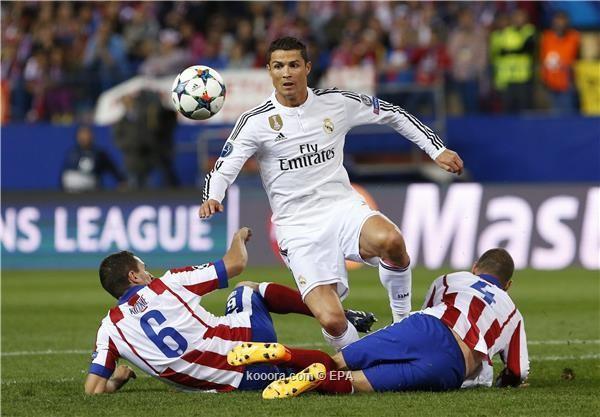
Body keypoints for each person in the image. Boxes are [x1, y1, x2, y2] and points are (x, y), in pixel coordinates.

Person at [200, 36, 464, 351]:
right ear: (269, 71)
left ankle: (403, 324)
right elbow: (225, 167)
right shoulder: (255, 122)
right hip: (298, 227)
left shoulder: (336, 102)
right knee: (333, 321)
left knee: (391, 240)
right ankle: (357, 361)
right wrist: (213, 196)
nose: (287, 73)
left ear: (307, 68)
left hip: (342, 208)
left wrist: (435, 149)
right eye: (279, 66)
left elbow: (392, 112)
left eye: (294, 65)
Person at [84, 227, 376, 394]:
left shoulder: (109, 329)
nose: (149, 273)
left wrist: (115, 381)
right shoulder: (167, 283)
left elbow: (93, 390)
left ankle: (321, 376)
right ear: (134, 277)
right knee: (247, 288)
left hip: (239, 382)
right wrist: (238, 237)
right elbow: (235, 264)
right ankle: (337, 313)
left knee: (310, 370)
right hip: (248, 339)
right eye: (144, 269)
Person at [228, 248, 529, 398]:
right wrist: (505, 381)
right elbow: (517, 370)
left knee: (339, 360)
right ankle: (319, 380)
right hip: (449, 366)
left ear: (475, 268)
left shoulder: (452, 279)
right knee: (355, 382)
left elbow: (427, 311)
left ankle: (285, 354)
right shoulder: (513, 313)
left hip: (426, 327)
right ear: (508, 285)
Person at [61, 125, 126, 192]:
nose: (84, 137)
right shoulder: (71, 153)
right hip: (71, 190)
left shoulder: (99, 154)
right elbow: (64, 175)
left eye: (87, 134)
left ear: (92, 136)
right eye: (82, 134)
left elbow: (113, 170)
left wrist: (122, 181)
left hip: (91, 190)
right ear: (77, 136)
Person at [540, 11, 580, 114]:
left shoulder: (574, 37)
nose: (560, 24)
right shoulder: (546, 37)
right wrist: (543, 79)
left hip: (567, 83)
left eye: (562, 21)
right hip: (550, 83)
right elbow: (542, 59)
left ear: (567, 22)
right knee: (553, 116)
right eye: (557, 21)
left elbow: (578, 58)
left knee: (568, 115)